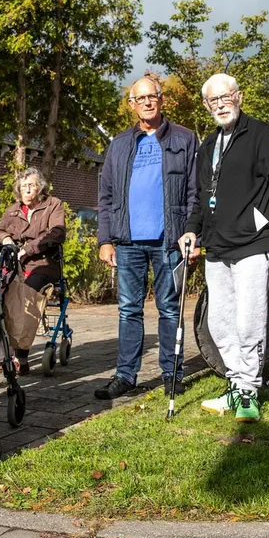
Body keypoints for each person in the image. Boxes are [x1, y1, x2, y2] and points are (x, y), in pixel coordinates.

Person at [178, 73, 269, 422]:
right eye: (213, 100)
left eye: (225, 96)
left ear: (239, 96)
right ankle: (235, 382)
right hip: (217, 245)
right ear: (206, 105)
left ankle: (248, 390)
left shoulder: (260, 133)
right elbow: (200, 199)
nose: (220, 104)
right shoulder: (207, 147)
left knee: (248, 321)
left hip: (252, 241)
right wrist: (190, 232)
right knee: (219, 322)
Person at [94, 76, 198, 400]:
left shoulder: (184, 138)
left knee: (168, 308)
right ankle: (126, 376)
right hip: (127, 240)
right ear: (132, 104)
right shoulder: (120, 144)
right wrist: (105, 239)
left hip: (170, 239)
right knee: (129, 310)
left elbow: (195, 191)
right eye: (141, 98)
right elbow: (106, 195)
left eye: (152, 96)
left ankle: (172, 373)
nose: (147, 102)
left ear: (161, 99)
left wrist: (192, 232)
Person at [0, 167, 65, 374]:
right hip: (15, 265)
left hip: (42, 264)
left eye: (31, 185)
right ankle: (2, 354)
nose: (27, 190)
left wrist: (28, 249)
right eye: (23, 186)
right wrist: (5, 239)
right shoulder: (13, 210)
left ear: (40, 187)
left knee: (27, 295)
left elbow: (57, 233)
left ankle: (21, 358)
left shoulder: (53, 205)